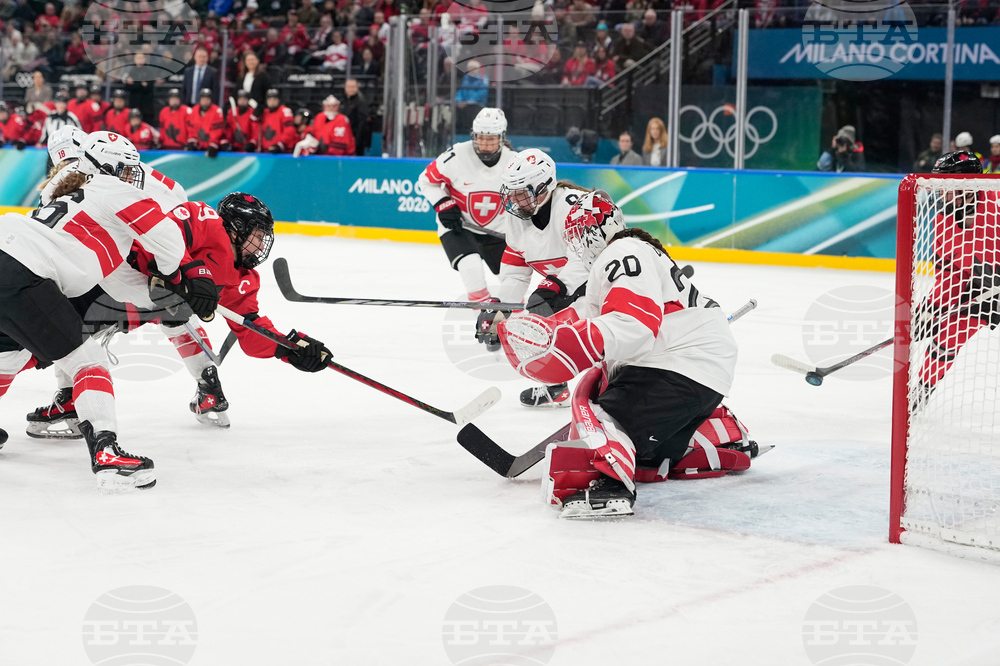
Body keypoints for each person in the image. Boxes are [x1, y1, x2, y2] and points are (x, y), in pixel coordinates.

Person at [495, 191, 744, 517]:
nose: (578, 249)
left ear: (595, 230)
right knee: (648, 455)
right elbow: (589, 314)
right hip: (699, 372)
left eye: (579, 238)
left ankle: (614, 487)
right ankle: (717, 437)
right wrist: (535, 333)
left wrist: (574, 343)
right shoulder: (632, 254)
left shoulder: (621, 252)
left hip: (678, 366)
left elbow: (634, 325)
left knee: (598, 416)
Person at [0, 132, 210, 491]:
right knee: (87, 361)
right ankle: (107, 453)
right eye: (126, 167)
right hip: (23, 270)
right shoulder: (113, 189)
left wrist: (166, 297)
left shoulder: (71, 197)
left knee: (5, 358)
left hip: (9, 245)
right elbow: (169, 241)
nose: (133, 174)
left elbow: (117, 280)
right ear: (105, 166)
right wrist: (177, 274)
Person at [479, 148, 592, 409]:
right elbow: (516, 272)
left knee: (579, 331)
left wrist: (554, 287)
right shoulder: (517, 219)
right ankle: (557, 387)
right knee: (532, 326)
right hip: (570, 292)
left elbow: (587, 260)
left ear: (544, 187)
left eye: (521, 192)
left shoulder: (574, 207)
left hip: (608, 291)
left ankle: (616, 386)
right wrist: (499, 309)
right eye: (511, 192)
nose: (514, 200)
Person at [911, 150, 1000, 413]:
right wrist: (930, 309)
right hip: (983, 293)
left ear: (967, 184)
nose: (939, 189)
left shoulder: (997, 202)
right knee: (947, 334)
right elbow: (950, 274)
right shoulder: (942, 221)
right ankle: (923, 389)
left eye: (946, 183)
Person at [417, 108, 514, 306]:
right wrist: (443, 203)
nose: (485, 144)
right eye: (480, 138)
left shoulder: (514, 162)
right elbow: (426, 180)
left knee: (512, 277)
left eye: (492, 139)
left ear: (502, 137)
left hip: (498, 230)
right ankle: (483, 318)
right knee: (471, 267)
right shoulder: (456, 154)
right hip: (459, 227)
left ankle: (510, 318)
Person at [186, 88, 225, 157]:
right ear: (199, 100)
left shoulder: (217, 111)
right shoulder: (194, 110)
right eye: (203, 99)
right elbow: (191, 129)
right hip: (197, 146)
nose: (205, 101)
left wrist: (213, 145)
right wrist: (192, 142)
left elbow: (217, 131)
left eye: (207, 99)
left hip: (211, 146)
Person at [260, 88, 297, 154]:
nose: (272, 102)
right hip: (266, 151)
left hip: (282, 151)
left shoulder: (284, 110)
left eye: (274, 99)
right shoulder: (264, 112)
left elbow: (289, 130)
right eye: (269, 100)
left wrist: (281, 144)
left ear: (279, 100)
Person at [342, 78, 371, 156]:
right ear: (345, 87)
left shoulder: (361, 101)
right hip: (344, 137)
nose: (351, 89)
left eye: (353, 87)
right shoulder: (343, 100)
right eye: (349, 87)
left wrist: (357, 139)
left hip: (356, 138)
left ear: (357, 87)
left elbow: (362, 122)